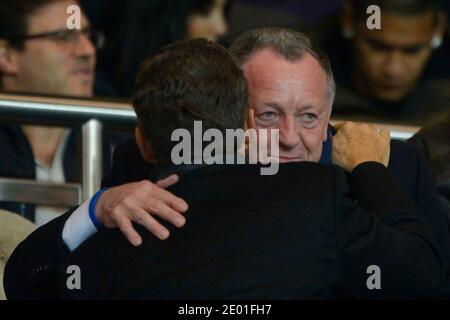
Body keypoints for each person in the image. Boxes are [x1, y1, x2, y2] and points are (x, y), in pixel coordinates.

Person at [5, 28, 450, 298]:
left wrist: (370, 171)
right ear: (235, 114)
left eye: (310, 117)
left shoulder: (396, 165)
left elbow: (433, 279)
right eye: (270, 115)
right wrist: (100, 206)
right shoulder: (146, 167)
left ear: (331, 117)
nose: (290, 139)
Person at [0, 0, 119, 224]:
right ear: (6, 57)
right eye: (63, 37)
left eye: (88, 36)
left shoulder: (121, 148)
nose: (87, 51)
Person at [310, 0, 449, 124]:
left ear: (438, 29)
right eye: (378, 47)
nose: (393, 70)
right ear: (348, 19)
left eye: (412, 51)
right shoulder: (298, 61)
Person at [87, 0, 231, 97]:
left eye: (223, 11)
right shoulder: (97, 90)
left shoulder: (222, 86)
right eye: (205, 12)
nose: (222, 29)